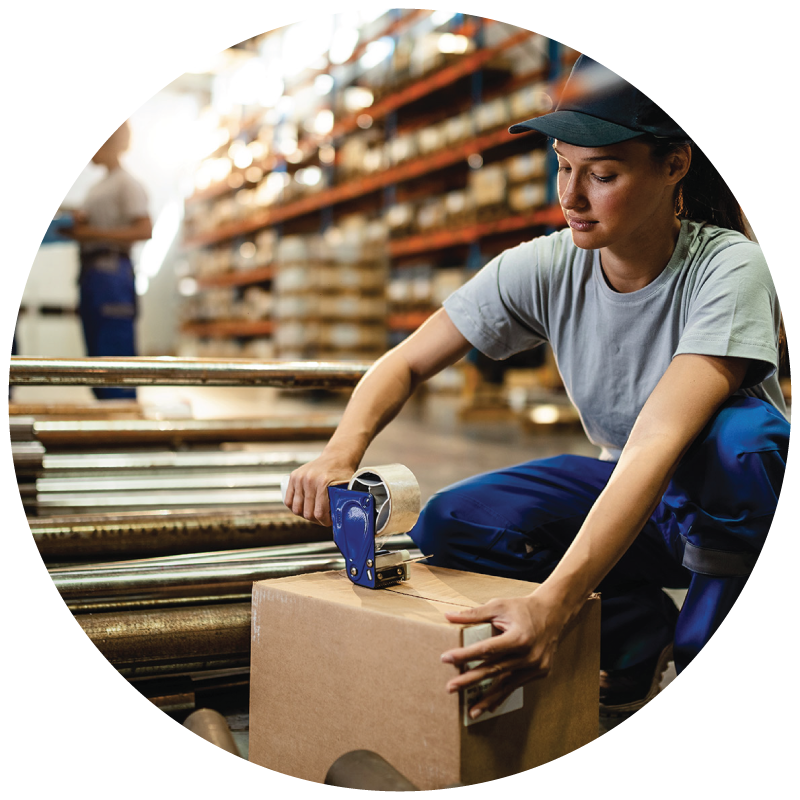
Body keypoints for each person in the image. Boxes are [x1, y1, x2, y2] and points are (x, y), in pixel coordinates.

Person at [283, 55, 790, 719]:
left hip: (722, 507)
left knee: (742, 441)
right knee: (452, 520)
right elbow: (404, 362)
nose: (571, 196)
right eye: (563, 165)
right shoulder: (548, 265)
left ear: (675, 165)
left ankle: (700, 642)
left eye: (602, 174)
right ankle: (637, 634)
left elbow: (658, 441)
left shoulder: (729, 266)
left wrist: (556, 601)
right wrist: (339, 451)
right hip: (629, 498)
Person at [60, 120, 152, 399]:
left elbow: (144, 229)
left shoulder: (127, 183)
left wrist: (91, 233)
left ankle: (122, 424)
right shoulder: (98, 186)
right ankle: (106, 421)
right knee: (97, 356)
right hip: (92, 277)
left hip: (111, 275)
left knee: (115, 352)